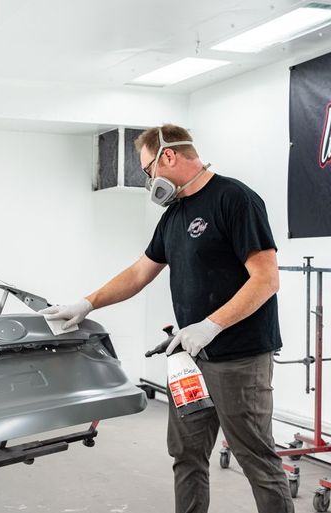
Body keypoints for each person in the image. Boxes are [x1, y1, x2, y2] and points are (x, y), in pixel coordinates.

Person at [41, 124, 294, 513]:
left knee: (256, 459)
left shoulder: (235, 199)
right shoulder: (175, 215)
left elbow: (266, 278)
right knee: (187, 456)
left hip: (238, 360)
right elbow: (140, 272)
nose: (149, 180)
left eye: (147, 170)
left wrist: (212, 325)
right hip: (189, 360)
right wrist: (87, 303)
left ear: (169, 157)